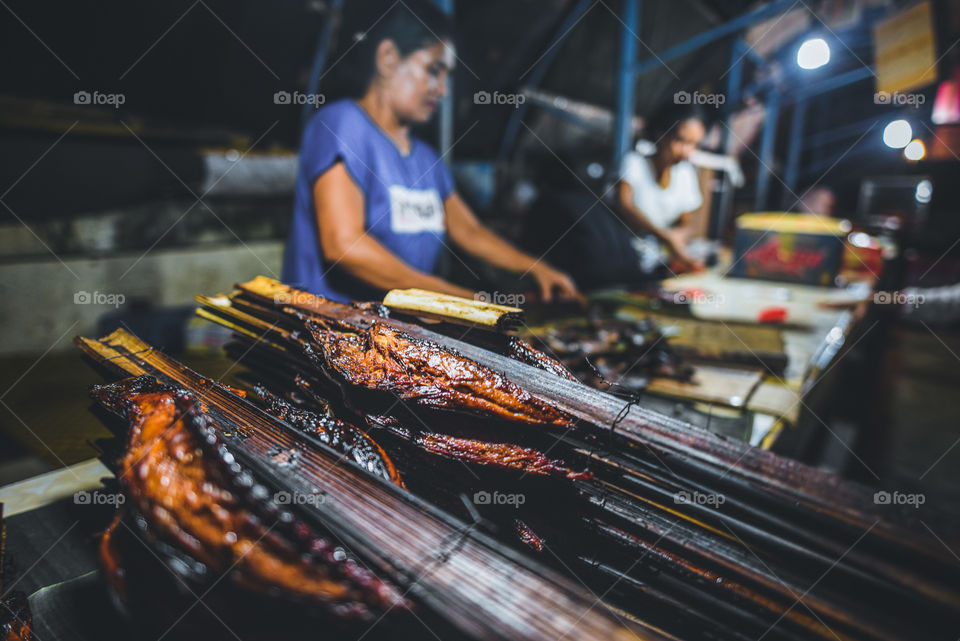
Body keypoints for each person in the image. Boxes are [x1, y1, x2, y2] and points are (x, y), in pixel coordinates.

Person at [282, 2, 579, 304]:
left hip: (393, 329)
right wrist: (457, 299)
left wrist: (535, 268)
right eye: (433, 70)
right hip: (326, 325)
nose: (442, 90)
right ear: (387, 59)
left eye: (446, 75)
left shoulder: (426, 158)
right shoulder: (342, 124)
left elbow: (470, 231)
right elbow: (344, 245)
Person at [617, 104, 709, 273]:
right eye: (681, 141)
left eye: (694, 144)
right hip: (625, 257)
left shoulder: (686, 174)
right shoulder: (634, 163)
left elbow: (686, 220)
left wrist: (679, 237)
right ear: (662, 134)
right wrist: (666, 237)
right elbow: (624, 206)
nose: (687, 152)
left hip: (661, 262)